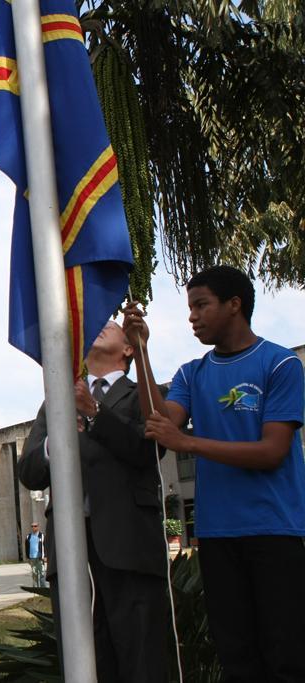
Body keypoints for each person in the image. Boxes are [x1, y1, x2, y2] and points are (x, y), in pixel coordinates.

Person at [123, 265, 305, 682]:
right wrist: (141, 351)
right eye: (190, 308)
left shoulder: (280, 365)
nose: (192, 317)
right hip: (218, 535)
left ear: (235, 305)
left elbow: (272, 451)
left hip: (275, 532)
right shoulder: (192, 372)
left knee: (286, 655)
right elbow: (160, 422)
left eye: (201, 305)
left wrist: (189, 442)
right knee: (236, 656)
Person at [17, 319, 169, 682]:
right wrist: (58, 436)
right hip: (71, 553)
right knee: (87, 664)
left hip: (128, 547)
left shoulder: (143, 394)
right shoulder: (56, 399)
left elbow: (148, 449)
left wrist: (95, 413)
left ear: (128, 349)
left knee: (141, 661)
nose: (98, 325)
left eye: (110, 323)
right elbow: (29, 470)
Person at [24, 523, 46, 588]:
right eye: (32, 526)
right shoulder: (29, 536)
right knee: (34, 575)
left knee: (42, 574)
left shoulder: (41, 536)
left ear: (38, 527)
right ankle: (36, 590)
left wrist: (45, 556)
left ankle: (43, 590)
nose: (34, 527)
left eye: (35, 526)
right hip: (32, 558)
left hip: (40, 558)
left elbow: (45, 546)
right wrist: (27, 557)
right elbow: (26, 547)